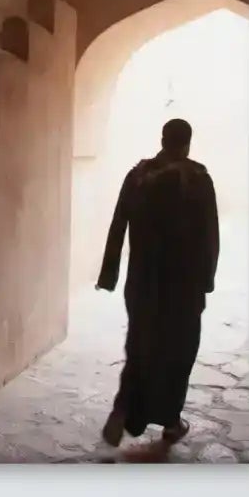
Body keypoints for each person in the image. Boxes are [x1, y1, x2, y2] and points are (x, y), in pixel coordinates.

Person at [95, 116, 220, 450]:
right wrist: (207, 280)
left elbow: (117, 224)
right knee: (178, 353)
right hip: (182, 287)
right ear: (187, 143)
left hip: (142, 284)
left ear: (162, 139)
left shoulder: (137, 176)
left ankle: (126, 409)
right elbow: (210, 235)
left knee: (140, 347)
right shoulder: (197, 179)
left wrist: (109, 275)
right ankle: (170, 421)